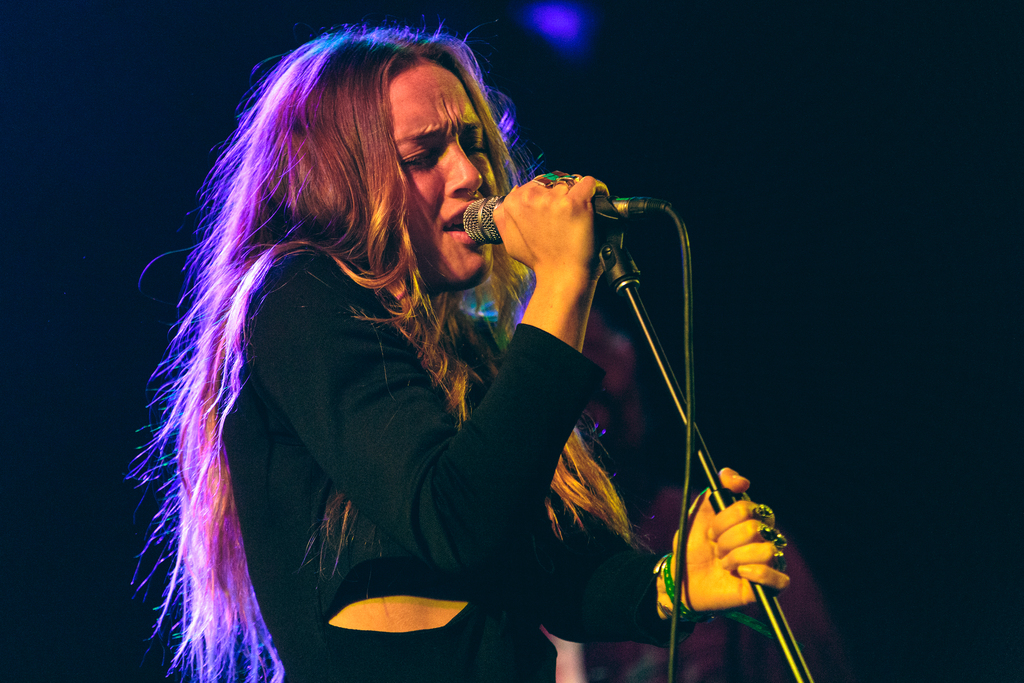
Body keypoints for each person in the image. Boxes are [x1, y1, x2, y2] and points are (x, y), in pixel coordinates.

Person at [135, 24, 789, 683]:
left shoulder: (465, 341)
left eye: (475, 144)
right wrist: (561, 282)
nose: (472, 174)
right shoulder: (298, 296)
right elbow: (454, 523)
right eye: (425, 155)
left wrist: (674, 579)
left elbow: (547, 571)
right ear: (338, 177)